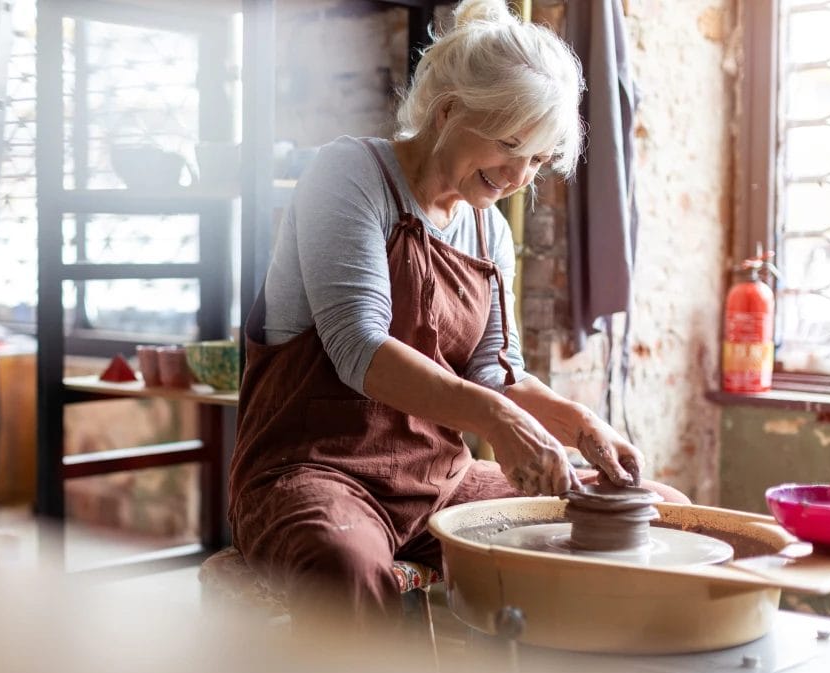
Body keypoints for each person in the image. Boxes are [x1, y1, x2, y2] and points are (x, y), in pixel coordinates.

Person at [228, 0, 689, 627]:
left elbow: (495, 374)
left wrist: (582, 426)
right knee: (345, 564)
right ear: (447, 111)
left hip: (438, 481)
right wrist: (496, 420)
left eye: (537, 159)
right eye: (508, 145)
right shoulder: (349, 174)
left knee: (654, 511)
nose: (518, 175)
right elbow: (357, 346)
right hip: (315, 472)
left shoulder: (488, 230)